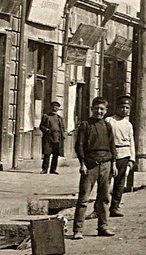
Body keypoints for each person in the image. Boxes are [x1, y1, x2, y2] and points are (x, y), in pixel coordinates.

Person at [72, 97, 116, 239]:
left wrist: (113, 164)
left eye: (102, 109)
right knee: (84, 199)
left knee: (104, 198)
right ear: (92, 109)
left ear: (106, 111)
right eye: (96, 108)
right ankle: (78, 230)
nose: (99, 111)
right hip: (90, 165)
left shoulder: (107, 125)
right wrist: (82, 164)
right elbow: (79, 145)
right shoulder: (85, 125)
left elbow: (112, 145)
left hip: (106, 164)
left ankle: (103, 227)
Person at [107, 94, 136, 218]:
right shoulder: (109, 121)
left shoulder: (128, 125)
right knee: (105, 183)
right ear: (117, 107)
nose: (124, 110)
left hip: (124, 155)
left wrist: (132, 159)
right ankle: (99, 208)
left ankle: (115, 207)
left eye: (127, 108)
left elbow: (131, 142)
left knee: (120, 183)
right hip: (110, 154)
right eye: (122, 107)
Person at [39, 100, 65, 174]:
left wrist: (63, 135)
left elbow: (62, 128)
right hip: (48, 138)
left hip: (57, 138)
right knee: (47, 154)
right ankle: (44, 169)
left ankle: (53, 170)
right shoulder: (46, 116)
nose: (55, 108)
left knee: (55, 155)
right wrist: (46, 129)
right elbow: (41, 126)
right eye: (54, 106)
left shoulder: (59, 118)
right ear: (51, 107)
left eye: (57, 107)